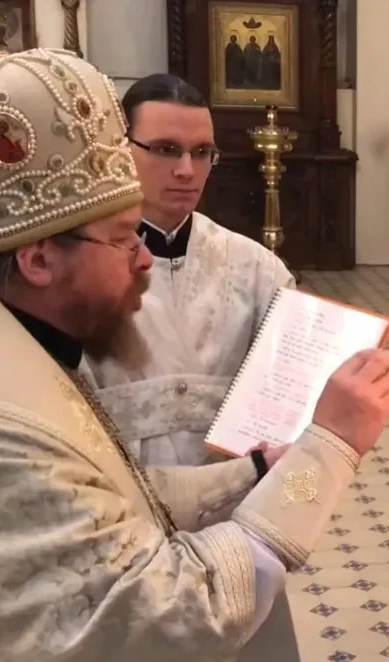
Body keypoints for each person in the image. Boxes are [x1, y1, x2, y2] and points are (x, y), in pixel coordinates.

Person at [0, 46, 389, 662]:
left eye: (201, 153)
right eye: (123, 240)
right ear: (38, 260)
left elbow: (124, 495)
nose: (146, 258)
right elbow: (178, 616)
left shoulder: (4, 350)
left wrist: (256, 468)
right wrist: (331, 448)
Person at [80, 73, 294, 468]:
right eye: (166, 149)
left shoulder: (258, 270)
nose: (186, 170)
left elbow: (287, 399)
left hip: (237, 487)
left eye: (201, 152)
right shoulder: (80, 268)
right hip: (119, 486)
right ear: (120, 150)